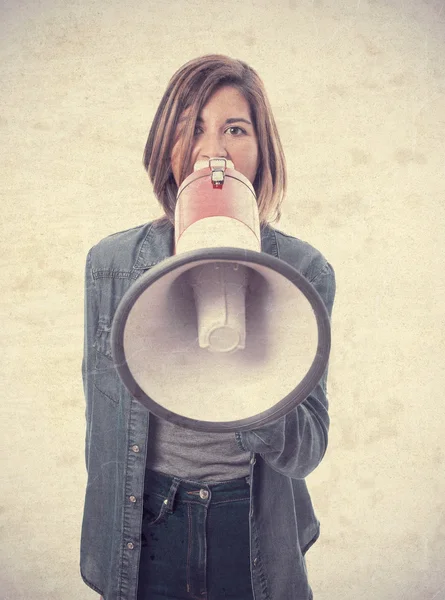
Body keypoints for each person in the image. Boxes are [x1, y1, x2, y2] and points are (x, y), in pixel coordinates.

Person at [80, 54, 336, 600]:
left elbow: (308, 448)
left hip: (247, 526)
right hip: (144, 523)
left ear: (263, 149)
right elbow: (101, 426)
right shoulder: (111, 264)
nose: (212, 150)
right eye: (192, 127)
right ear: (164, 145)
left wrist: (252, 392)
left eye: (234, 129)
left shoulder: (305, 271)